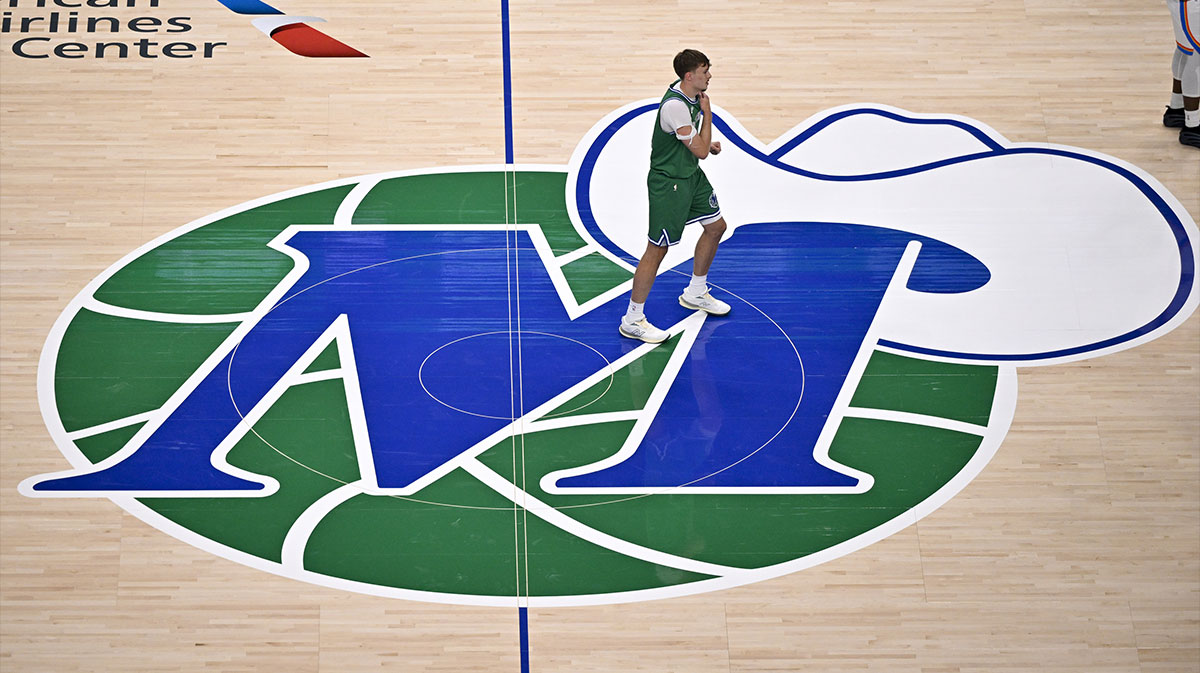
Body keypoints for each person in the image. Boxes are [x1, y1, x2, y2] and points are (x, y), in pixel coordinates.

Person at [619, 49, 732, 344]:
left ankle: (695, 292)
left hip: (690, 177)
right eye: (705, 71)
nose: (709, 75)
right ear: (689, 76)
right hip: (668, 184)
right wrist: (708, 120)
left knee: (716, 227)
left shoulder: (692, 95)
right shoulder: (676, 107)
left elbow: (698, 146)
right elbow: (701, 151)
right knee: (657, 250)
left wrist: (706, 142)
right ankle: (632, 319)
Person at [1164, 0, 1200, 147]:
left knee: (1186, 50)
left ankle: (1177, 109)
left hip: (1185, 4)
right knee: (1196, 57)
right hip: (1191, 4)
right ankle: (1193, 126)